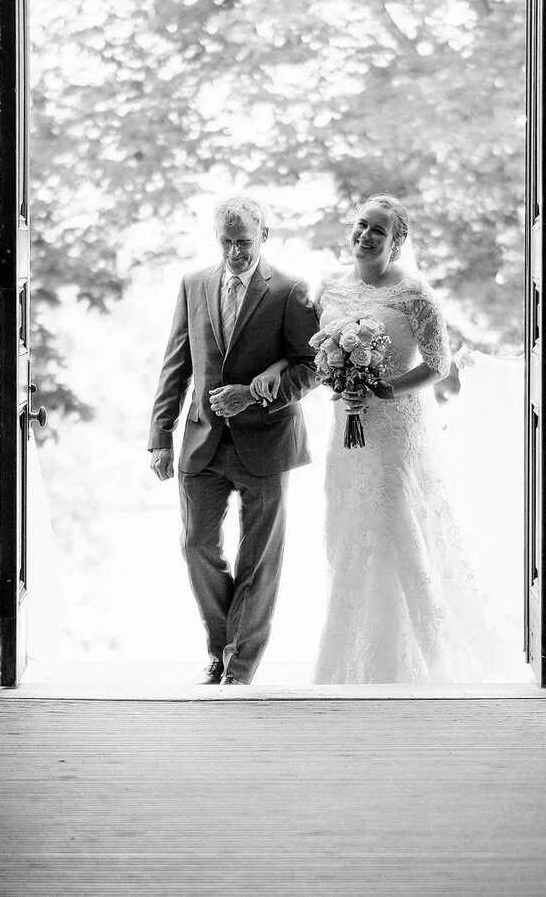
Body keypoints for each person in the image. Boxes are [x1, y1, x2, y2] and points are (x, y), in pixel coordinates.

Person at [254, 194, 515, 683]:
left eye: (379, 230)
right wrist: (309, 374)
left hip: (397, 432)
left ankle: (421, 659)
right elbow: (303, 354)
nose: (365, 235)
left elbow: (437, 367)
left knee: (396, 527)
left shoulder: (415, 295)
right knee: (352, 529)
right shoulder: (327, 288)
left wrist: (381, 388)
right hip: (347, 430)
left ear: (396, 244)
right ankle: (350, 658)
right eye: (361, 224)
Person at [147, 194, 320, 686]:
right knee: (197, 546)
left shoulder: (290, 290)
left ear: (264, 236)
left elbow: (311, 369)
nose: (234, 253)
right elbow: (176, 363)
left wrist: (252, 397)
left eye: (243, 242)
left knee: (258, 558)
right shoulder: (193, 283)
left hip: (267, 443)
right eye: (226, 242)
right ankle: (222, 648)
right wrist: (160, 434)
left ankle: (238, 668)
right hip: (201, 442)